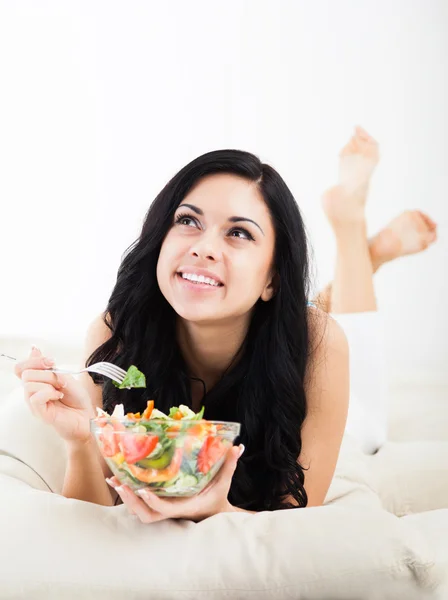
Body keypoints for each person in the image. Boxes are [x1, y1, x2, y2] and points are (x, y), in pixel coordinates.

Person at [14, 127, 437, 523]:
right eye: (187, 221)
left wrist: (218, 512)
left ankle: (351, 233)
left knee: (328, 340)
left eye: (239, 233)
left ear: (273, 277)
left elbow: (298, 523)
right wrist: (80, 442)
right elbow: (90, 519)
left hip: (334, 410)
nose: (203, 247)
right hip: (271, 313)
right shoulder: (115, 335)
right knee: (294, 312)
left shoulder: (322, 343)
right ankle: (364, 259)